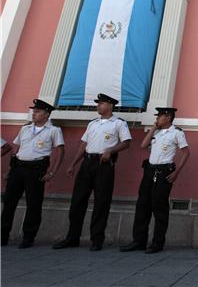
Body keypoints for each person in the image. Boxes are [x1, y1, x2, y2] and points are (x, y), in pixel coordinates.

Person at [53, 93, 131, 251]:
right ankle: (72, 237)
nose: (98, 106)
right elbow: (83, 144)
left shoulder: (118, 123)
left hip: (104, 164)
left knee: (101, 202)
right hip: (87, 163)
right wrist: (73, 163)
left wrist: (111, 150)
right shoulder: (93, 124)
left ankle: (97, 239)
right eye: (98, 103)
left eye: (101, 103)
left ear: (110, 105)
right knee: (77, 201)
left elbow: (126, 142)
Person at [120, 107, 189, 254]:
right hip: (150, 171)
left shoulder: (177, 133)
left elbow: (186, 152)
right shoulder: (156, 132)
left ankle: (157, 242)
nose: (157, 119)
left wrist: (177, 172)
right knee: (142, 205)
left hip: (164, 172)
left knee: (159, 207)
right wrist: (152, 129)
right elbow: (143, 146)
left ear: (168, 117)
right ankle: (139, 240)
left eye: (160, 116)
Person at [1, 99, 64, 248]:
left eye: (38, 111)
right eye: (33, 111)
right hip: (18, 168)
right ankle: (3, 235)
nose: (34, 114)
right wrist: (10, 170)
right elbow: (17, 149)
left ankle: (28, 237)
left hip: (36, 168)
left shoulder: (54, 130)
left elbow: (60, 151)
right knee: (9, 203)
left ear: (47, 114)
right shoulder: (25, 128)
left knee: (33, 204)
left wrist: (52, 171)